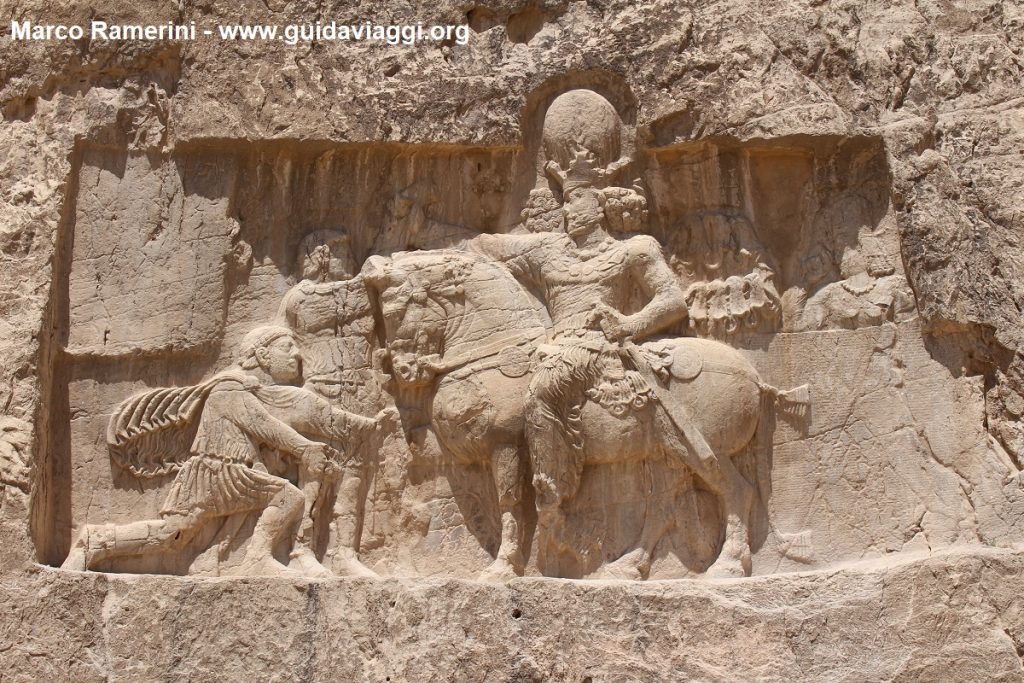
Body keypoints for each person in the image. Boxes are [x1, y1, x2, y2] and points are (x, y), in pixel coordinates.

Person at [63, 325, 394, 577]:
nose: (297, 355)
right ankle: (257, 561)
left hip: (226, 472)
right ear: (262, 355)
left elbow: (287, 419)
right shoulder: (230, 387)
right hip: (219, 473)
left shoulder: (251, 389)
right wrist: (303, 446)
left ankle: (97, 541)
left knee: (171, 538)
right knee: (287, 497)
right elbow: (263, 425)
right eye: (287, 346)